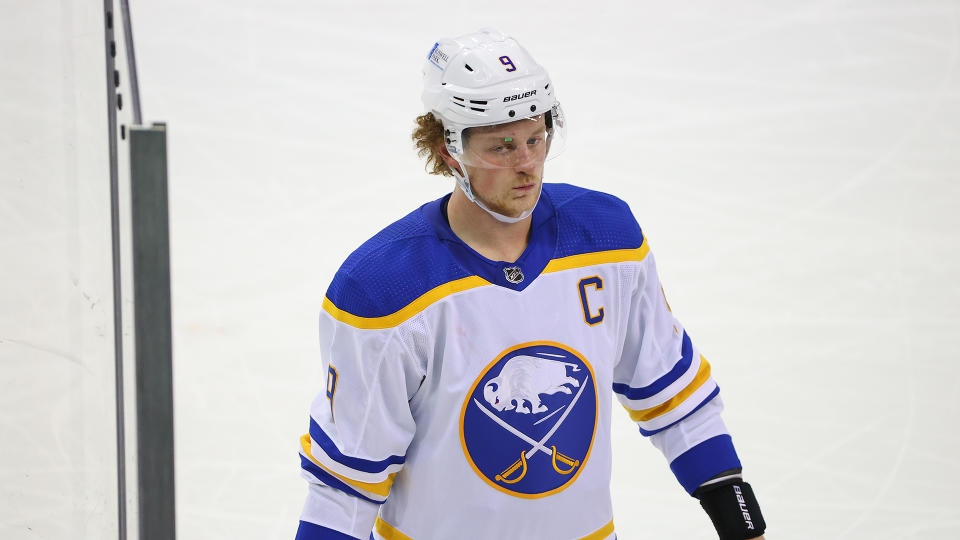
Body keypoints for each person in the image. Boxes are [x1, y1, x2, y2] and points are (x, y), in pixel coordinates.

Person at [295, 29, 767, 540]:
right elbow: (345, 483)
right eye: (501, 146)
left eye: (536, 139)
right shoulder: (384, 291)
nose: (526, 164)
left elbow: (671, 391)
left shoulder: (608, 239)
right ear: (448, 150)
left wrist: (737, 514)